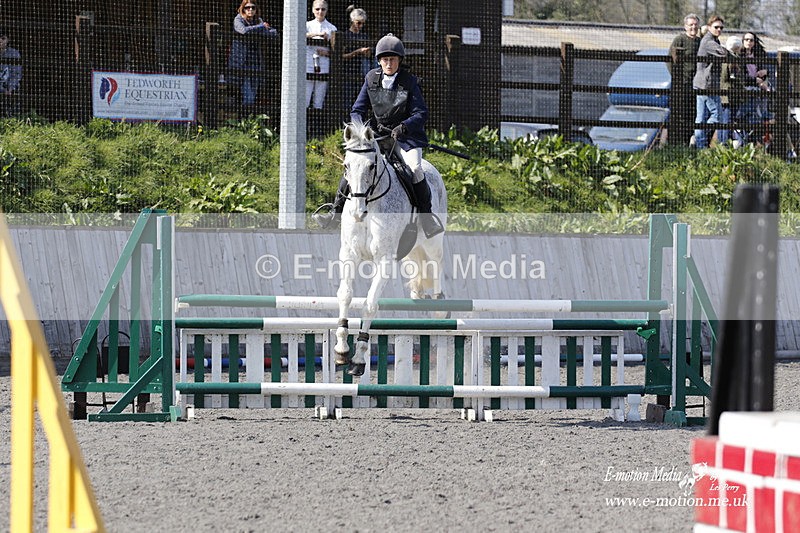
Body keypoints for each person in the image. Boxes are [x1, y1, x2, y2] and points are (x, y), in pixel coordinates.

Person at [313, 34, 444, 239]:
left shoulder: (409, 82)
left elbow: (421, 113)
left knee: (416, 168)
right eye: (385, 59)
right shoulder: (371, 78)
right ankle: (335, 213)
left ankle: (426, 219)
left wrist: (404, 126)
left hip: (405, 138)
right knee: (356, 165)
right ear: (379, 61)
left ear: (399, 61)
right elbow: (357, 109)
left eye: (392, 59)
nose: (388, 63)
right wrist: (360, 129)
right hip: (378, 136)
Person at [227, 1, 277, 117]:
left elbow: (273, 33)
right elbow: (243, 31)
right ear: (243, 9)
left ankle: (248, 121)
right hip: (241, 63)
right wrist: (261, 27)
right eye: (247, 8)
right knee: (246, 94)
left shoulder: (257, 20)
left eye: (253, 8)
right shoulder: (238, 19)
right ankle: (244, 120)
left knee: (253, 93)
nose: (250, 10)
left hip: (255, 63)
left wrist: (264, 29)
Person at [693, 15, 728, 148]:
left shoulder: (713, 40)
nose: (719, 29)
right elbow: (723, 53)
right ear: (709, 28)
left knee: (700, 117)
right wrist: (735, 55)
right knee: (717, 116)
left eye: (721, 27)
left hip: (702, 84)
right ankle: (699, 139)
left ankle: (699, 145)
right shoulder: (709, 41)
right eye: (716, 27)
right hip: (706, 85)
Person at [668, 14, 700, 146]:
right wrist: (677, 78)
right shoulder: (679, 39)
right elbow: (670, 60)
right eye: (690, 24)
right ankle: (676, 144)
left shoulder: (700, 42)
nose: (693, 27)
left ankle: (690, 142)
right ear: (685, 26)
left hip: (697, 85)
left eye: (695, 24)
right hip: (682, 84)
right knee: (679, 113)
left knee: (693, 114)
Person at [339, 6, 373, 119]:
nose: (360, 26)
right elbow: (340, 56)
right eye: (358, 23)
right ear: (352, 21)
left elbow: (369, 57)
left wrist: (367, 52)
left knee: (361, 102)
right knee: (347, 102)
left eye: (363, 23)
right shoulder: (345, 36)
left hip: (361, 74)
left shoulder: (365, 36)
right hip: (347, 73)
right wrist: (357, 52)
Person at [306, 0, 337, 110]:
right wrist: (318, 34)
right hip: (308, 66)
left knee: (319, 101)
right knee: (305, 98)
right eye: (317, 9)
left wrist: (327, 53)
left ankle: (316, 126)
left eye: (323, 9)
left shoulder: (332, 28)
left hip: (324, 66)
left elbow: (336, 52)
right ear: (313, 10)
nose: (320, 11)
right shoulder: (307, 25)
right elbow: (301, 35)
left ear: (327, 10)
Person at [718, 36, 745, 146]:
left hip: (733, 95)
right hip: (728, 96)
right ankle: (724, 143)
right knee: (726, 121)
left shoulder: (734, 58)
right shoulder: (729, 58)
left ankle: (725, 142)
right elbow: (725, 77)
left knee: (728, 121)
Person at [0, 30, 22, 117]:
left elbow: (16, 73)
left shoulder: (14, 53)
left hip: (10, 89)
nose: (0, 40)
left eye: (3, 38)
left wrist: (10, 88)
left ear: (7, 40)